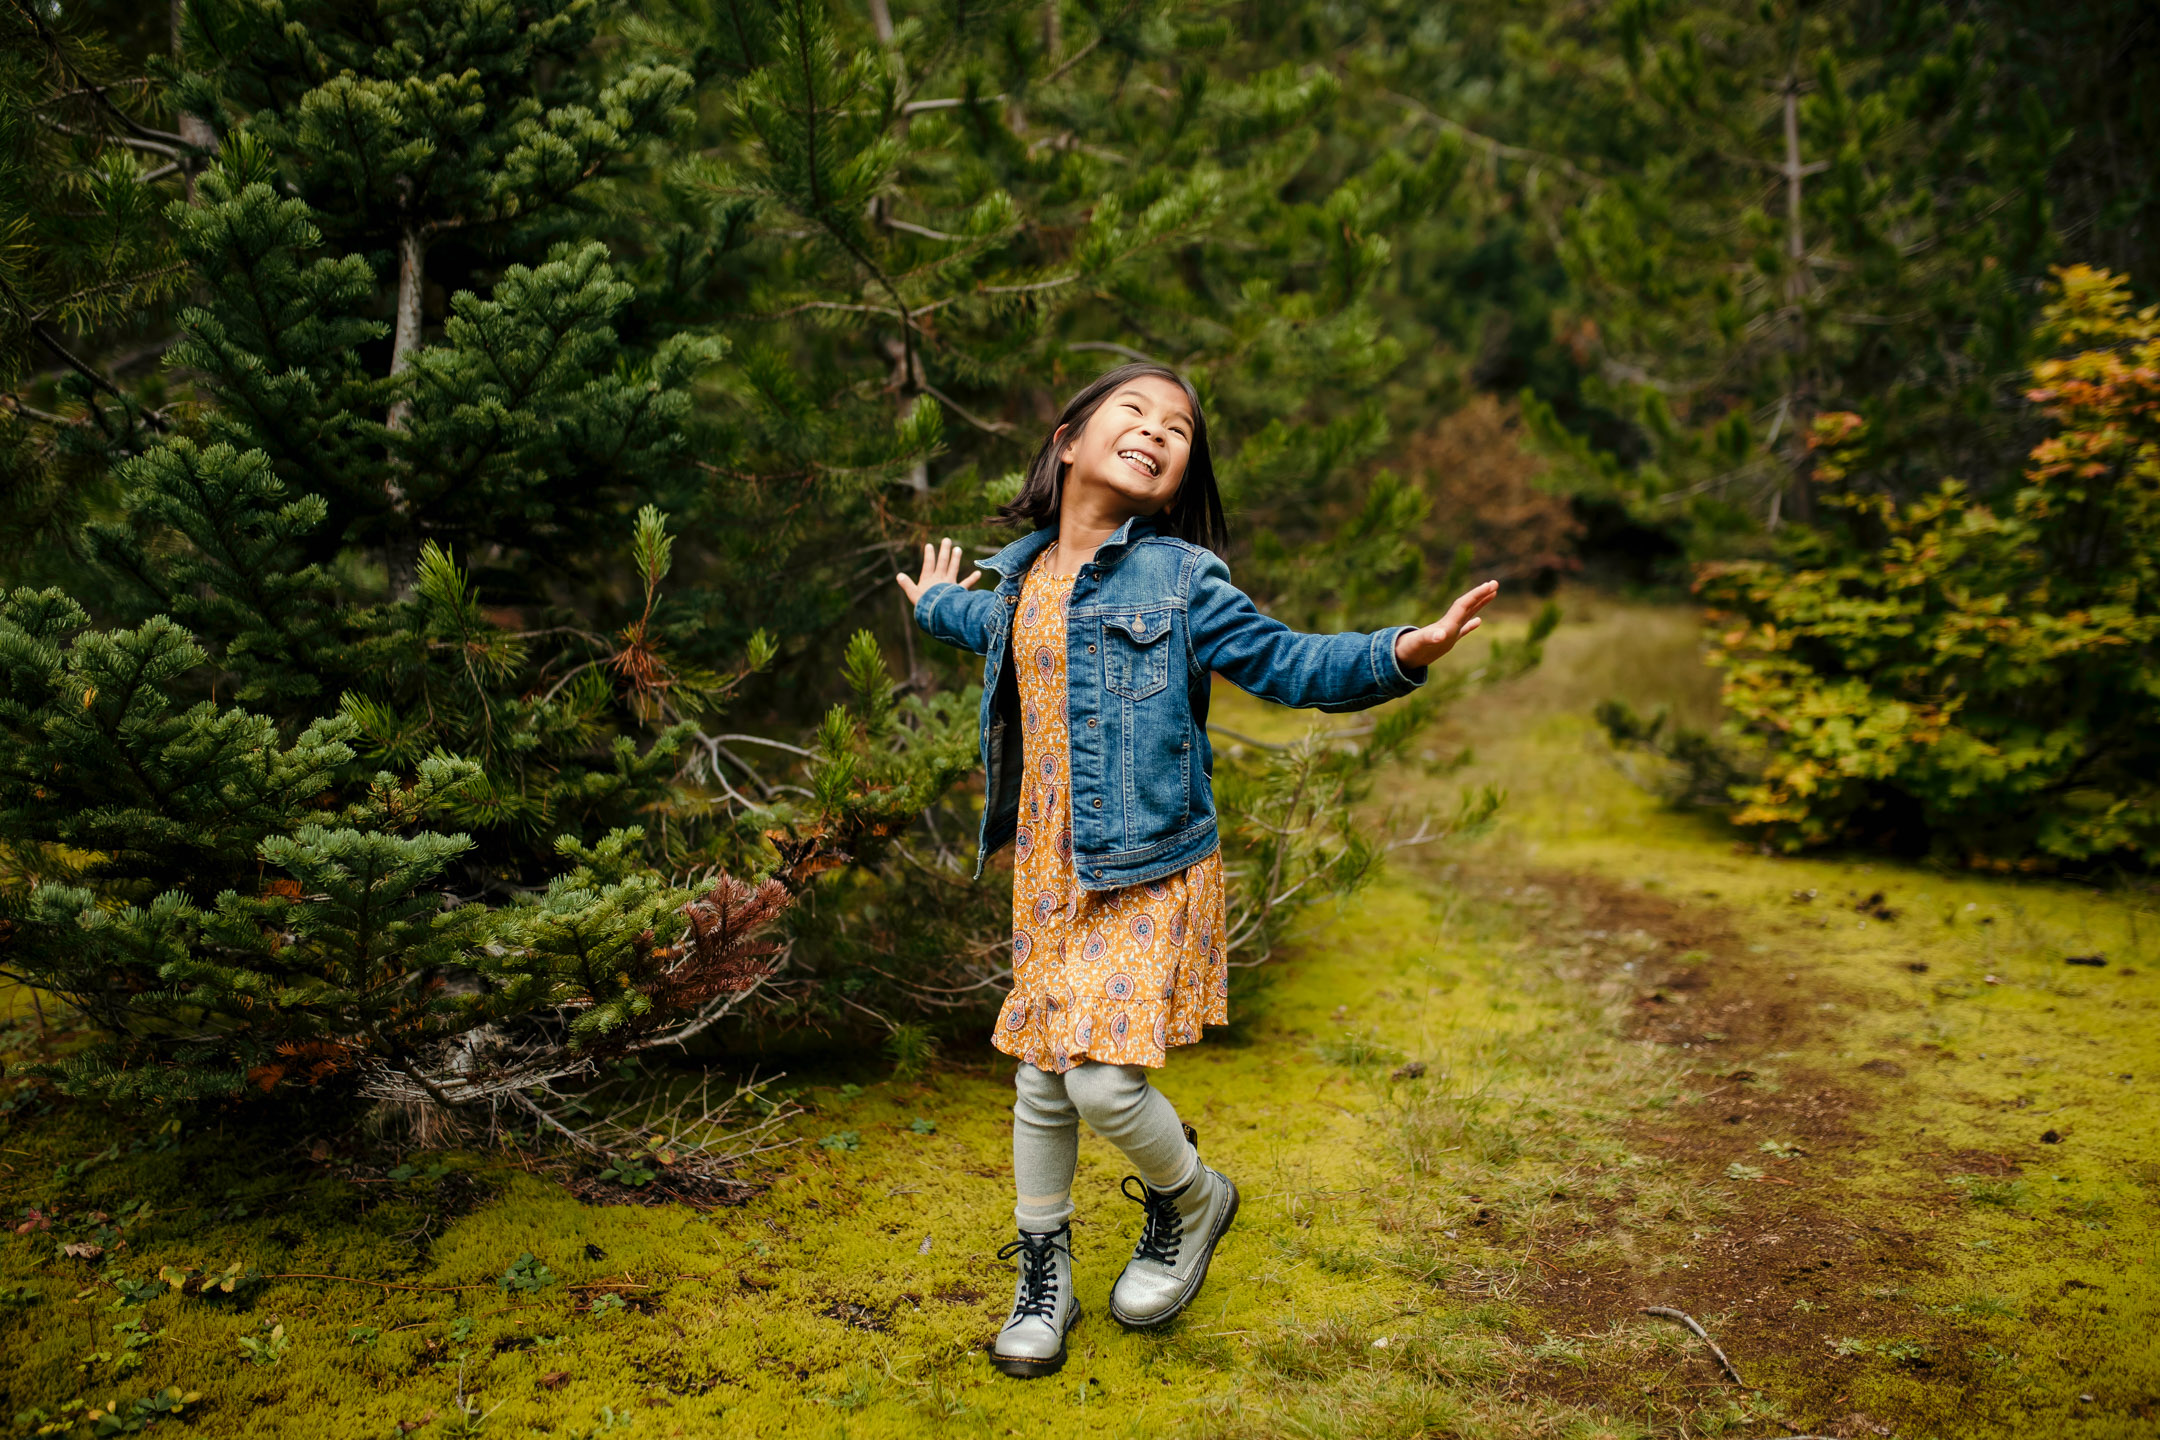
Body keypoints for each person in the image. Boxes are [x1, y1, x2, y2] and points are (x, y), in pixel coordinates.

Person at [896, 363, 1498, 1379]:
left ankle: (1190, 1198)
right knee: (1042, 1076)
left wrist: (1407, 649)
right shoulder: (1022, 577)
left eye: (1178, 428)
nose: (1157, 430)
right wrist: (938, 605)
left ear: (1176, 479)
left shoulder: (1181, 581)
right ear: (1068, 440)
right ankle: (1045, 1275)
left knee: (1096, 1080)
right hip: (1048, 869)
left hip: (1146, 863)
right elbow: (992, 628)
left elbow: (1291, 663)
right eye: (1132, 410)